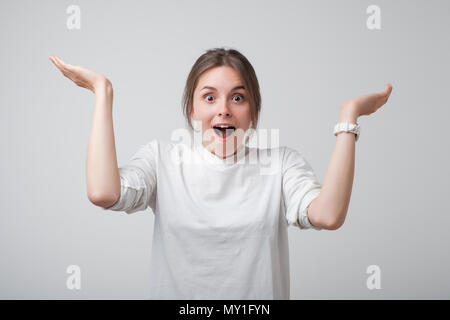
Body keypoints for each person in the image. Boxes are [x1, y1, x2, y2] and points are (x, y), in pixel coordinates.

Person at [49, 47, 393, 299]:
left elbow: (328, 215)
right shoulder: (162, 159)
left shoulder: (281, 163)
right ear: (192, 108)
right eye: (210, 97)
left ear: (253, 110)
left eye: (238, 98)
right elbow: (103, 193)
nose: (224, 110)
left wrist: (348, 120)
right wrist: (102, 93)